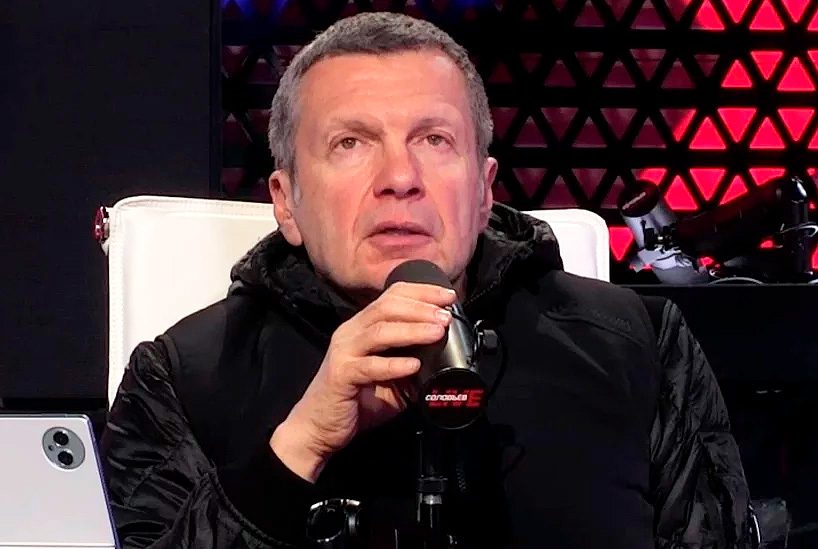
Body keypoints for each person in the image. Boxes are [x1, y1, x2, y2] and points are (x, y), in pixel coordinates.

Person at [100, 12, 753, 549]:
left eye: (434, 140)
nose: (400, 178)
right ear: (286, 201)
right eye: (351, 143)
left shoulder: (640, 343)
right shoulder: (181, 376)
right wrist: (301, 445)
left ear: (484, 191)